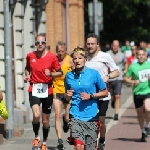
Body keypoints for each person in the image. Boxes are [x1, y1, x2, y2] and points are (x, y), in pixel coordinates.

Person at [65, 47, 108, 150]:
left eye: (80, 58)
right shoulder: (69, 76)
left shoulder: (94, 74)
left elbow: (105, 92)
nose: (77, 61)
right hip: (75, 115)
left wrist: (91, 96)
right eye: (75, 58)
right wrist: (67, 95)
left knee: (89, 148)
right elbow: (66, 97)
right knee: (78, 146)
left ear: (85, 59)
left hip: (91, 115)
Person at [24, 34, 62, 150]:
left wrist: (51, 74)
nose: (40, 44)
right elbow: (27, 68)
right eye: (38, 43)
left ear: (45, 44)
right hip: (34, 88)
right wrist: (27, 76)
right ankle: (36, 137)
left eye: (42, 42)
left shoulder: (52, 57)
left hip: (47, 90)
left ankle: (44, 142)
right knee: (36, 115)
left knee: (45, 120)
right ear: (35, 44)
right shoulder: (30, 56)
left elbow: (60, 72)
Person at [85, 33, 119, 150]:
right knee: (90, 121)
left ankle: (102, 139)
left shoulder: (105, 56)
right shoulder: (83, 57)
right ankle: (91, 143)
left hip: (103, 95)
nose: (90, 46)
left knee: (101, 121)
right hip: (89, 95)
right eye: (88, 44)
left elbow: (116, 71)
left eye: (92, 44)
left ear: (97, 45)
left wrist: (107, 76)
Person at [125, 48, 150, 142]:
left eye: (143, 54)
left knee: (148, 108)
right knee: (139, 113)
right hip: (137, 92)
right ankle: (143, 131)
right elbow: (126, 78)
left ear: (146, 56)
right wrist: (132, 81)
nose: (141, 56)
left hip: (148, 90)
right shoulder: (133, 66)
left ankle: (147, 126)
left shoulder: (149, 65)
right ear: (136, 56)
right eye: (139, 55)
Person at [52, 41, 73, 149]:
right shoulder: (53, 60)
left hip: (68, 91)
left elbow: (76, 74)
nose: (60, 53)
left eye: (62, 51)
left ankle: (66, 122)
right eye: (58, 51)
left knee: (67, 117)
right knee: (57, 115)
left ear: (65, 51)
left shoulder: (70, 60)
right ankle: (60, 141)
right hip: (56, 90)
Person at [107, 40, 126, 121]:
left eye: (117, 46)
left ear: (119, 47)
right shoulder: (107, 54)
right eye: (114, 45)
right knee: (111, 97)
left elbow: (126, 63)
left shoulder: (122, 55)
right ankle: (112, 101)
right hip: (109, 77)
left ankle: (116, 113)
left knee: (117, 95)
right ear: (112, 45)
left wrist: (125, 70)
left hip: (119, 77)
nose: (115, 47)